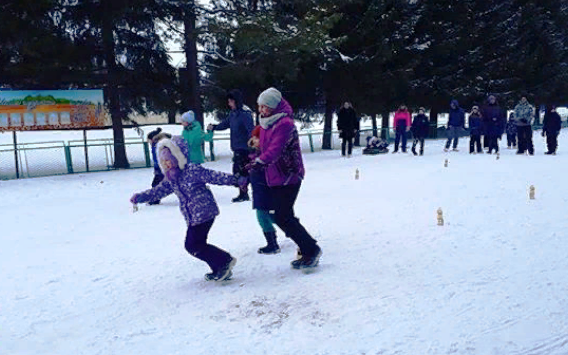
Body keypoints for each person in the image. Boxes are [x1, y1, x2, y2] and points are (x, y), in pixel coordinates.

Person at [129, 136, 247, 281]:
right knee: (198, 245)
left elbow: (215, 176)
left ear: (178, 157)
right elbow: (158, 191)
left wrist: (236, 180)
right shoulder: (172, 177)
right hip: (192, 216)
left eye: (169, 160)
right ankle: (220, 268)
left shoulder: (192, 170)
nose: (166, 164)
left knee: (193, 245)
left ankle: (225, 261)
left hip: (204, 212)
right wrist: (141, 197)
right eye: (163, 161)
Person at [252, 87, 322, 269]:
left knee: (282, 216)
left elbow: (276, 149)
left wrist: (261, 161)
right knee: (283, 215)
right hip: (275, 175)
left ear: (273, 106)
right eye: (260, 106)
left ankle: (310, 249)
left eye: (265, 107)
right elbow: (264, 148)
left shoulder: (285, 124)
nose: (261, 110)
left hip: (289, 174)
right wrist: (253, 159)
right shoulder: (267, 122)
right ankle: (308, 246)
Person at [208, 89, 255, 202]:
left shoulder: (245, 114)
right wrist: (215, 127)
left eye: (230, 101)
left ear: (236, 101)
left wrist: (252, 145)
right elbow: (226, 123)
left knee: (242, 171)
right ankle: (243, 192)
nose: (229, 104)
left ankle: (245, 193)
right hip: (236, 147)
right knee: (239, 171)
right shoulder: (233, 114)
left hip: (244, 148)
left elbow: (251, 130)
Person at [247, 126, 287, 254]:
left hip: (266, 190)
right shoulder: (254, 154)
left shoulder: (267, 155)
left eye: (256, 138)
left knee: (262, 216)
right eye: (253, 137)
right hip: (258, 190)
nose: (253, 140)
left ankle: (272, 244)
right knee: (271, 216)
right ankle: (289, 227)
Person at [146, 128, 172, 205]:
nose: (148, 142)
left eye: (149, 140)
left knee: (156, 184)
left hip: (162, 168)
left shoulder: (159, 146)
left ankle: (154, 200)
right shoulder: (155, 145)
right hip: (160, 168)